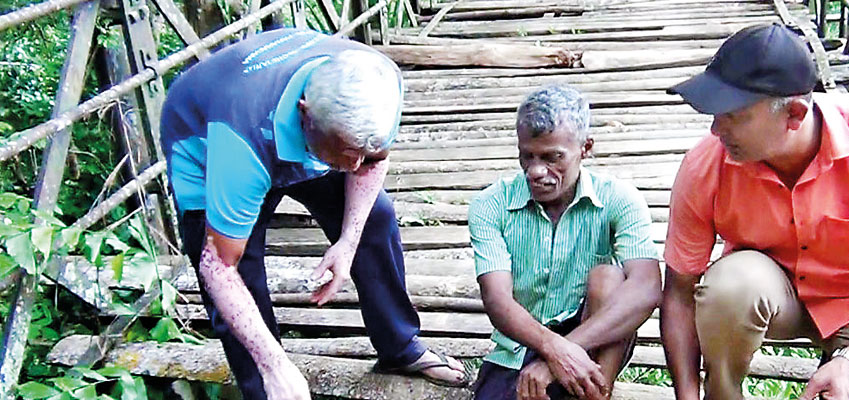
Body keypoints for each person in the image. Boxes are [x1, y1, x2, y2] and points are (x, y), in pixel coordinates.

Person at [160, 28, 469, 400]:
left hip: (305, 139)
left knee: (376, 218)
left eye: (364, 152)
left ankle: (399, 346)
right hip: (210, 145)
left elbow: (370, 162)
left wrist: (347, 242)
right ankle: (269, 387)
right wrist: (275, 364)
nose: (356, 165)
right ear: (304, 113)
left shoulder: (379, 83)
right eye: (347, 152)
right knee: (240, 277)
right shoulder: (240, 145)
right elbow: (219, 267)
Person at [660, 23, 849, 400]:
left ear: (795, 115)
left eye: (733, 115)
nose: (716, 129)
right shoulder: (705, 164)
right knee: (730, 286)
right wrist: (686, 396)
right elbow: (679, 293)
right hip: (769, 293)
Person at [468, 84, 663, 400]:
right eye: (526, 156)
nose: (535, 171)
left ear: (585, 148)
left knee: (608, 277)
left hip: (597, 337)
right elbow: (497, 299)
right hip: (520, 345)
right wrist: (551, 349)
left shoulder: (619, 198)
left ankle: (596, 391)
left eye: (551, 157)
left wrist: (563, 352)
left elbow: (647, 288)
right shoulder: (491, 204)